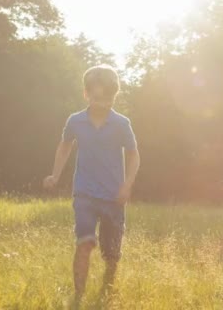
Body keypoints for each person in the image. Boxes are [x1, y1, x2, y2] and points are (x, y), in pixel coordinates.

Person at [43, 65, 140, 302]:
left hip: (113, 195)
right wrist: (55, 175)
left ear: (114, 96)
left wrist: (127, 185)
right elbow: (65, 146)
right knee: (84, 241)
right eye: (97, 97)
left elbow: (133, 154)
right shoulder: (75, 121)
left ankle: (105, 295)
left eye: (107, 98)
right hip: (84, 192)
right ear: (86, 94)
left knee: (111, 254)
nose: (102, 103)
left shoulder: (121, 123)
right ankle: (77, 297)